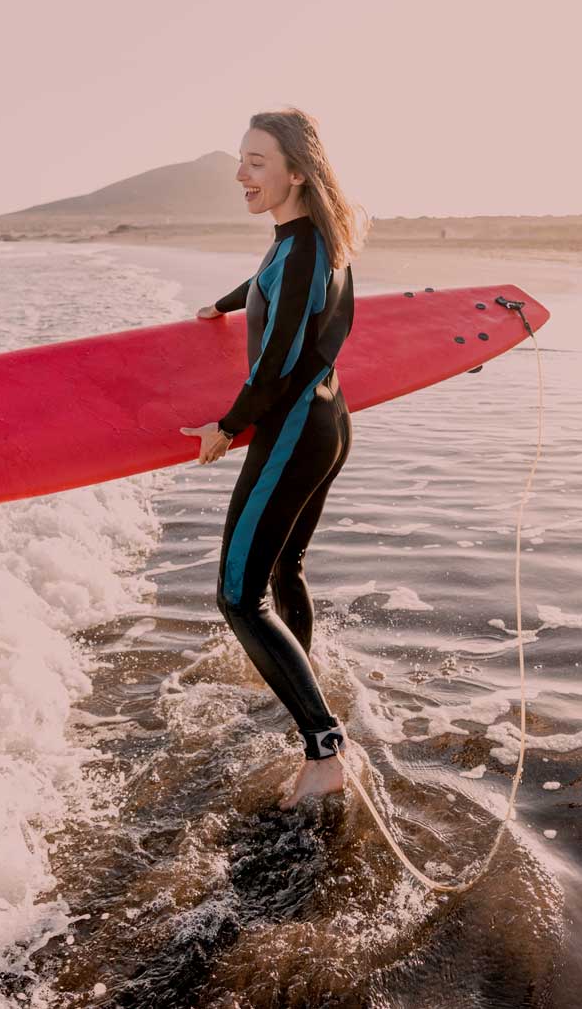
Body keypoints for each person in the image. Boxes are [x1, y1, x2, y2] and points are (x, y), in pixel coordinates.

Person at [180, 108, 368, 809]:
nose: (241, 174)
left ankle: (324, 748)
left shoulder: (304, 248)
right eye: (241, 159)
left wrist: (223, 429)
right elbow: (277, 292)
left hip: (292, 428)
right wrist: (225, 303)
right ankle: (304, 677)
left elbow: (277, 364)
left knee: (236, 594)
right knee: (284, 565)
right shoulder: (318, 239)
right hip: (330, 421)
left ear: (296, 170)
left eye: (256, 162)